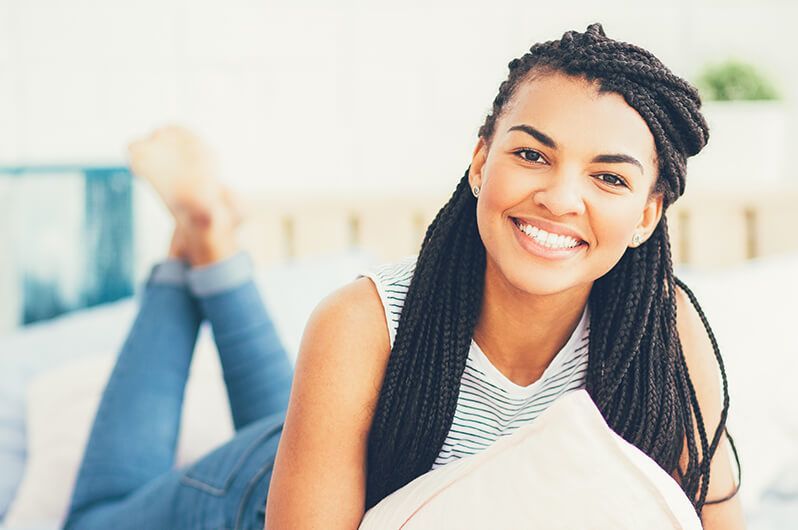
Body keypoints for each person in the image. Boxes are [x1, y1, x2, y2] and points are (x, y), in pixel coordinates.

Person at [64, 22, 744, 530]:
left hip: (330, 450)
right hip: (246, 496)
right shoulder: (359, 323)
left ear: (648, 215)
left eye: (609, 176)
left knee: (289, 416)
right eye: (532, 155)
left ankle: (210, 245)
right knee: (93, 520)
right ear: (481, 163)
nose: (562, 198)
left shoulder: (668, 334)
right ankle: (202, 233)